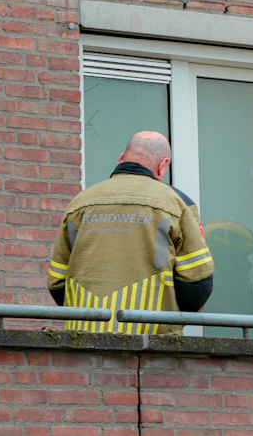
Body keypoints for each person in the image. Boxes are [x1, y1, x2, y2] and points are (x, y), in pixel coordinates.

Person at [47, 131, 214, 334]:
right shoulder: (176, 204)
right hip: (151, 340)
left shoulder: (80, 202)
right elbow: (197, 284)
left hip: (83, 338)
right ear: (162, 165)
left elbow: (57, 282)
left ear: (121, 159)